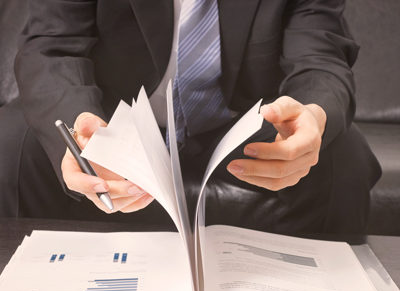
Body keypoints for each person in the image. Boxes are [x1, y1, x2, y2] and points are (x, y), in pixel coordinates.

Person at [1, 0, 381, 239]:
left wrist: (312, 115)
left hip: (241, 127)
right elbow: (52, 46)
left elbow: (321, 55)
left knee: (343, 158)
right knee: (12, 148)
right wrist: (81, 127)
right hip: (115, 121)